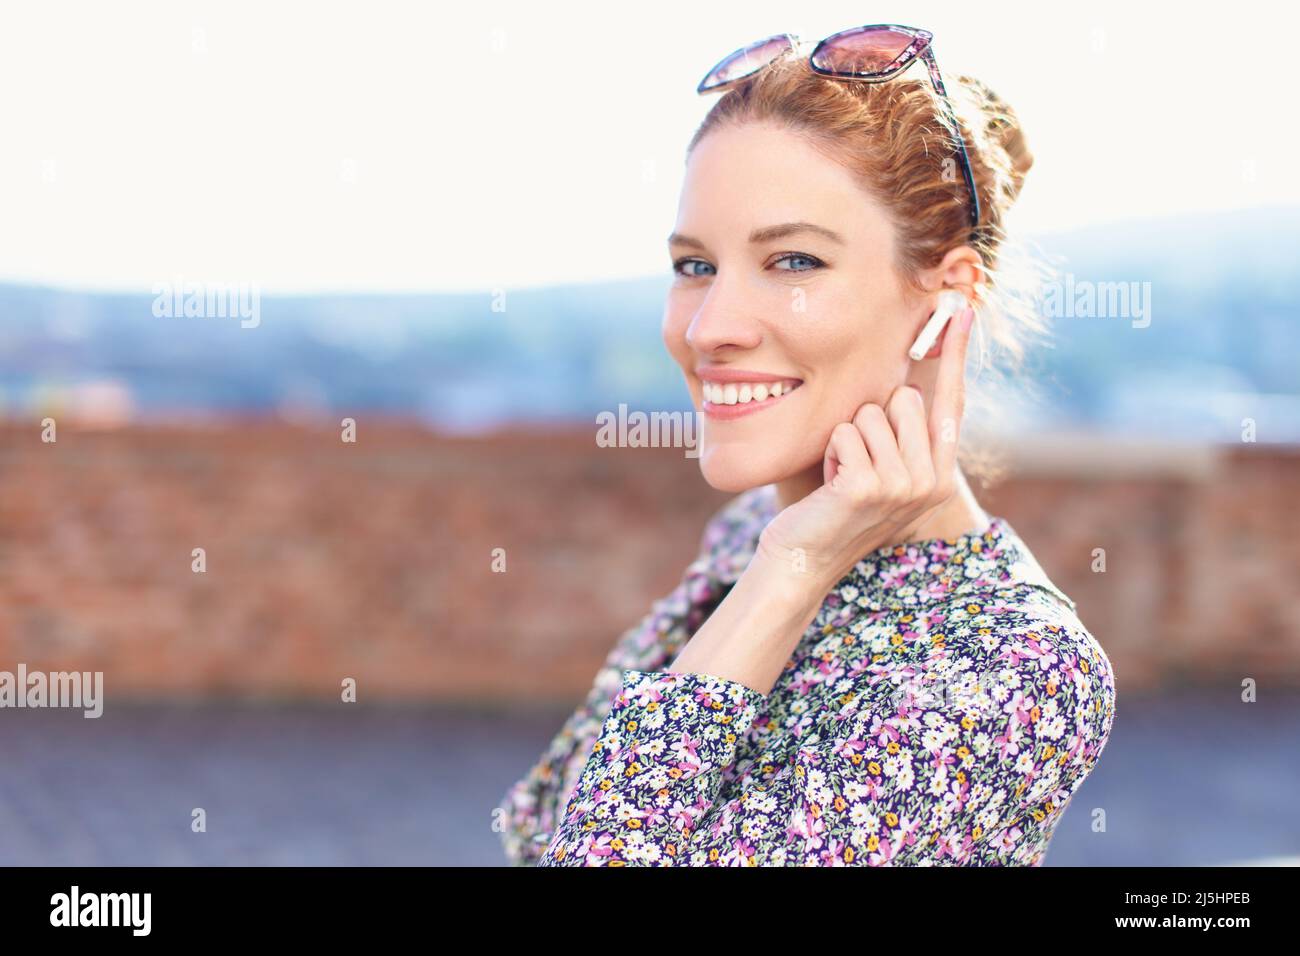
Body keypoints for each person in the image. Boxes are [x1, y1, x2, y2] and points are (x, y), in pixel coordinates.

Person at [496, 27, 1116, 866]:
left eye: (792, 261)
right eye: (694, 267)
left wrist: (791, 569)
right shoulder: (749, 531)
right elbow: (540, 824)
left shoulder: (1013, 670)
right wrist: (781, 566)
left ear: (948, 299)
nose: (711, 328)